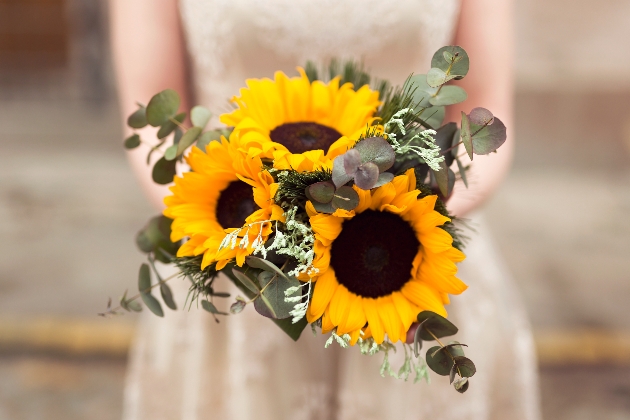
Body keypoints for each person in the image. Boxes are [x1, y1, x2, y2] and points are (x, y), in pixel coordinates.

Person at [110, 1, 542, 419]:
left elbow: (484, 112)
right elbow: (154, 118)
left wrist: (403, 214)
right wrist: (257, 234)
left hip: (413, 266)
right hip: (241, 272)